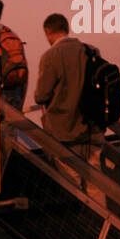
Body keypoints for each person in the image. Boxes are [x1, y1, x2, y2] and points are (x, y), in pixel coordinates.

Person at [34, 13, 104, 194]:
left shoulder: (50, 56)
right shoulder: (92, 51)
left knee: (72, 186)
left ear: (48, 31)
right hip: (91, 130)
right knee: (97, 186)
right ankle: (104, 222)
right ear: (66, 28)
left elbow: (41, 95)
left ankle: (85, 221)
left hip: (63, 133)